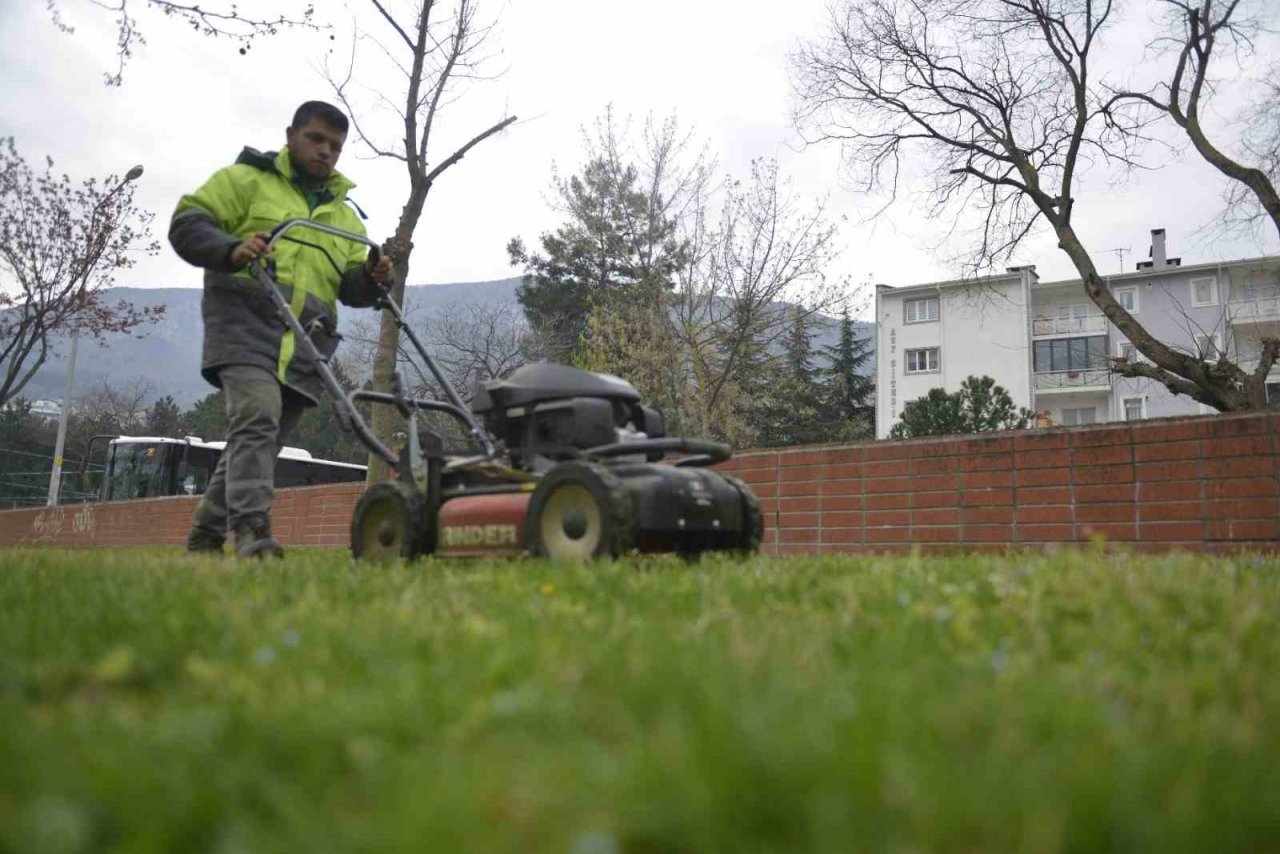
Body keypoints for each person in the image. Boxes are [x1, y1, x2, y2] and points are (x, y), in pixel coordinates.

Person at [170, 100, 393, 558]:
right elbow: (188, 224)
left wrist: (371, 277)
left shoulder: (344, 216)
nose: (325, 151)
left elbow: (350, 286)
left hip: (306, 342)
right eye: (315, 139)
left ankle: (204, 537)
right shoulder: (246, 181)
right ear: (291, 136)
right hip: (244, 324)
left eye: (335, 145)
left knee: (261, 440)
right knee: (257, 417)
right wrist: (232, 249)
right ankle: (252, 530)